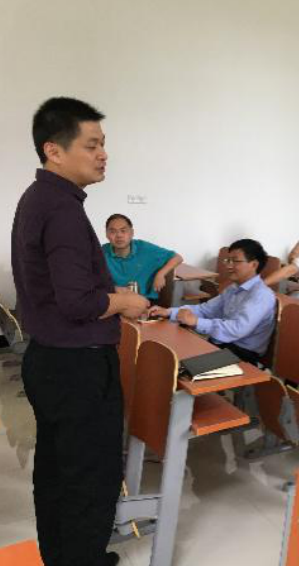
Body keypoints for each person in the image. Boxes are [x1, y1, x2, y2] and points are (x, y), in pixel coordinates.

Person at [12, 97, 149, 566]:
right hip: (77, 366)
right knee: (90, 480)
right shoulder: (63, 210)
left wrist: (109, 293)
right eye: (92, 145)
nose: (103, 154)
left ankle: (64, 557)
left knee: (57, 473)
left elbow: (62, 289)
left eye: (103, 144)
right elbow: (77, 304)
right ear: (54, 150)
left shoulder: (38, 198)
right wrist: (125, 302)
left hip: (50, 360)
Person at [149, 239, 276, 365]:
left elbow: (237, 329)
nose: (228, 266)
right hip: (222, 345)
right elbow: (206, 310)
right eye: (228, 260)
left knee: (181, 364)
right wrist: (169, 312)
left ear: (254, 265)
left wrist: (196, 322)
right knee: (170, 351)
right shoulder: (233, 288)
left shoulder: (261, 295)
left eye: (235, 261)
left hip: (242, 354)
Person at [102, 213, 182, 301]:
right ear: (107, 234)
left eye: (123, 230)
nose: (119, 235)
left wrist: (161, 274)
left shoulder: (144, 248)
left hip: (144, 301)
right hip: (115, 300)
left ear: (131, 233)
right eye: (113, 231)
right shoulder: (100, 252)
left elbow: (177, 258)